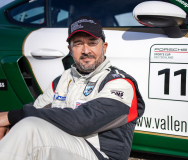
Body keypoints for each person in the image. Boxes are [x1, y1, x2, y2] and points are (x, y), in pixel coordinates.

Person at [0, 16, 145, 160]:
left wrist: (10, 117)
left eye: (92, 43)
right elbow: (36, 109)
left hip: (100, 155)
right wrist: (9, 123)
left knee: (30, 129)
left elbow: (82, 122)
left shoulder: (120, 82)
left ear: (104, 47)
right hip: (63, 147)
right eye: (78, 44)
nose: (86, 50)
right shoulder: (63, 79)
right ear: (70, 49)